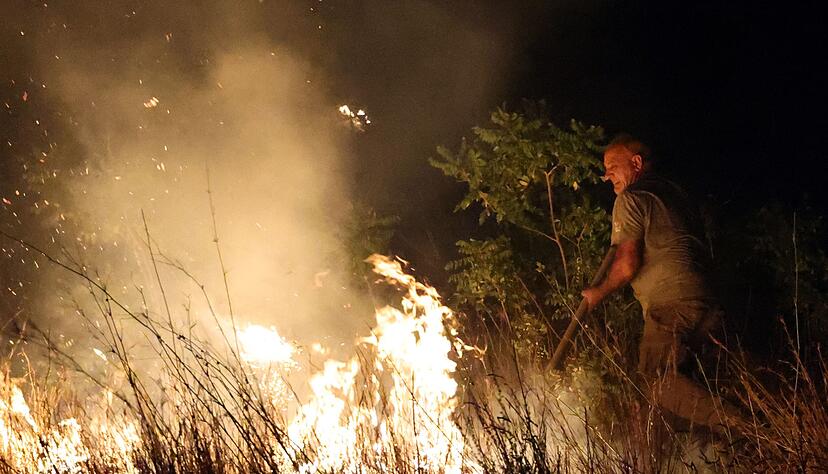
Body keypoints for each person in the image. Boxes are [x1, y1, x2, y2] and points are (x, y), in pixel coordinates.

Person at [581, 134, 743, 432]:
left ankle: (750, 429)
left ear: (636, 163)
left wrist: (598, 292)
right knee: (685, 387)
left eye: (613, 167)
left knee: (654, 378)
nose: (607, 177)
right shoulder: (677, 195)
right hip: (707, 301)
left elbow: (628, 263)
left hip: (672, 304)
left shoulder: (630, 199)